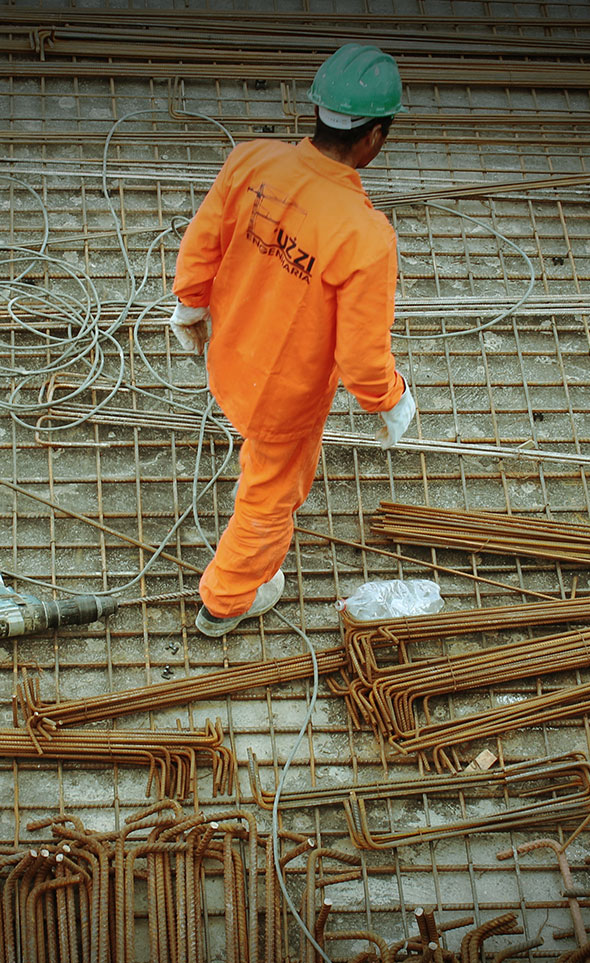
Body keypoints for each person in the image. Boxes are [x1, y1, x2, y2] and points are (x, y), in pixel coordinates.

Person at [168, 43, 417, 638]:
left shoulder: (252, 161)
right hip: (283, 396)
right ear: (375, 137)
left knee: (258, 461)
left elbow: (202, 242)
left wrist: (189, 306)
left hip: (228, 356)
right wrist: (391, 398)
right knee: (270, 497)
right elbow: (360, 358)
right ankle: (226, 601)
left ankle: (235, 583)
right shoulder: (365, 236)